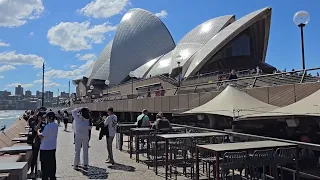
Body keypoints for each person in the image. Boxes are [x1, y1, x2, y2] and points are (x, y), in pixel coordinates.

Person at [37, 111, 58, 180]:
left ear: (50, 117)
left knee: (44, 165)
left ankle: (45, 177)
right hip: (53, 147)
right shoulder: (55, 125)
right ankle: (52, 176)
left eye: (47, 117)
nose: (46, 118)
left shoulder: (48, 126)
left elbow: (41, 136)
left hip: (45, 148)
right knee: (52, 163)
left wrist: (38, 131)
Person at [29, 110, 47, 179]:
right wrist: (39, 122)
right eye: (42, 117)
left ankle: (41, 171)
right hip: (35, 142)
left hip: (43, 142)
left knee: (43, 157)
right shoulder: (33, 122)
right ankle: (32, 171)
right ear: (39, 117)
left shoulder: (44, 123)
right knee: (34, 156)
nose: (43, 118)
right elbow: (36, 128)